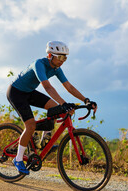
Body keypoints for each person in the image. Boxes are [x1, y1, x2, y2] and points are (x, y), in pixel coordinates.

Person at [7, 41, 97, 175]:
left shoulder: (57, 69)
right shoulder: (39, 64)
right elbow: (47, 87)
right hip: (16, 92)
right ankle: (18, 159)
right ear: (50, 55)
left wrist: (86, 100)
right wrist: (64, 103)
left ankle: (42, 141)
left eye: (65, 58)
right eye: (60, 57)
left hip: (29, 92)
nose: (62, 61)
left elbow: (69, 87)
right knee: (30, 125)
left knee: (57, 108)